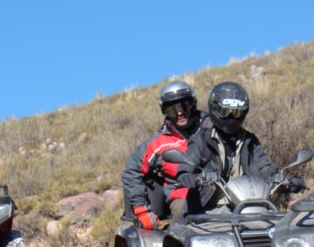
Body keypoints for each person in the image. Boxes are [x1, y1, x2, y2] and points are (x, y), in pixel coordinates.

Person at [176, 81, 304, 212]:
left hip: (247, 203)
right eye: (225, 111)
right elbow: (188, 161)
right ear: (214, 109)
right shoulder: (202, 139)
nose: (231, 117)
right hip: (210, 206)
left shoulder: (250, 140)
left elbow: (264, 167)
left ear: (244, 113)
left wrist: (285, 180)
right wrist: (186, 175)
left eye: (236, 112)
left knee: (273, 219)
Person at [121, 81, 205, 228]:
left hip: (221, 190)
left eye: (184, 105)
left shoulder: (211, 128)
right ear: (165, 111)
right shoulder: (158, 142)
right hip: (182, 197)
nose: (179, 112)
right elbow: (131, 172)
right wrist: (142, 210)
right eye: (172, 109)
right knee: (184, 216)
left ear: (193, 104)